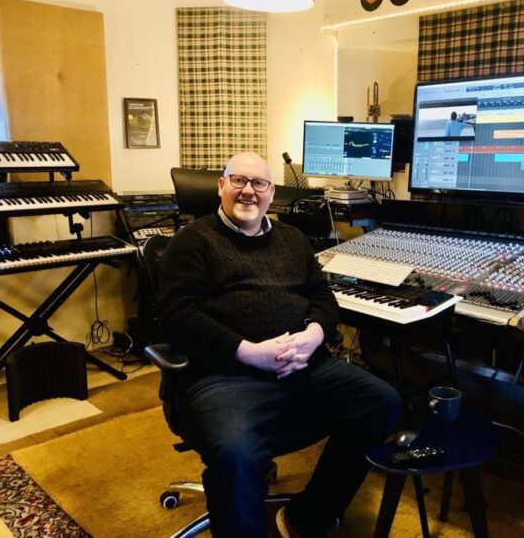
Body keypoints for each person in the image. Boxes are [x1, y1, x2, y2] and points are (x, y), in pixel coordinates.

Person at [158, 152, 403, 538]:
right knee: (237, 454)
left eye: (259, 184)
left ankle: (307, 517)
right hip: (225, 376)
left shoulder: (293, 239)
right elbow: (176, 316)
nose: (248, 192)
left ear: (272, 193)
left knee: (382, 403)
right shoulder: (192, 241)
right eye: (239, 181)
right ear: (221, 186)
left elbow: (324, 299)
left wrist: (313, 336)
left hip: (304, 367)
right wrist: (248, 351)